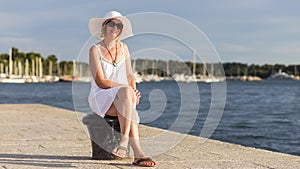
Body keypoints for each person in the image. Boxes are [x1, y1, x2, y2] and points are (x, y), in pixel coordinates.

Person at [88, 11, 156, 167]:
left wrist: (133, 92)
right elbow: (100, 81)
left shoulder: (124, 48)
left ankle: (135, 152)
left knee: (127, 98)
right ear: (104, 26)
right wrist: (126, 89)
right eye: (112, 23)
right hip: (101, 96)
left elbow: (130, 75)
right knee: (126, 95)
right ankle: (129, 144)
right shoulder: (95, 50)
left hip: (122, 96)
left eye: (119, 25)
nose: (115, 27)